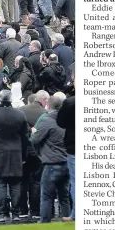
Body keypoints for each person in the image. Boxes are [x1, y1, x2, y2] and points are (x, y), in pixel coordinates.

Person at [0, 89, 28, 223]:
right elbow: (25, 138)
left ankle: (1, 213)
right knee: (15, 184)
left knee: (0, 184)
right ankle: (16, 213)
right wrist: (24, 156)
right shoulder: (20, 114)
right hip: (16, 152)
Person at [31, 93, 72, 223]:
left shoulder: (46, 121)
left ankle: (44, 220)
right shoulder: (68, 121)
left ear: (48, 105)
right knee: (64, 196)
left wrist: (33, 133)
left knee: (47, 195)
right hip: (66, 162)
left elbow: (35, 140)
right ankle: (66, 219)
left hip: (51, 164)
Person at [56, 92, 75, 220]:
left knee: (76, 182)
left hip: (74, 146)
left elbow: (61, 122)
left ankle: (76, 214)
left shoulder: (70, 102)